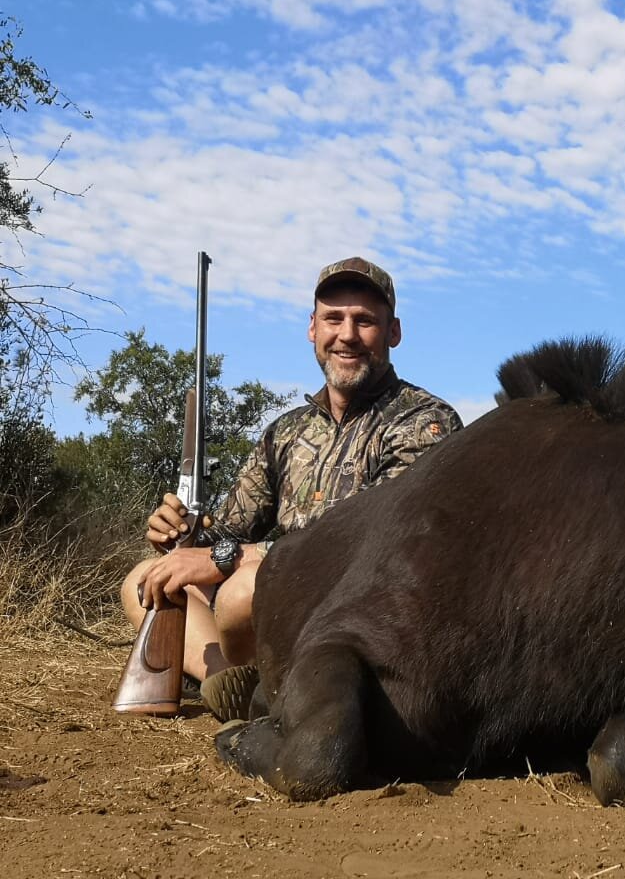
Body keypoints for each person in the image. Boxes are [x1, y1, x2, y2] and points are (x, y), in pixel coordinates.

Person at [120, 256, 463, 721]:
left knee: (243, 592)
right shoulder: (284, 432)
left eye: (365, 321)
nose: (347, 335)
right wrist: (182, 536)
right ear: (312, 329)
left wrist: (228, 558)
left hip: (363, 612)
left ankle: (275, 689)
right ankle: (230, 681)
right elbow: (227, 531)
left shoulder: (425, 422)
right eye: (333, 319)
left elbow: (370, 543)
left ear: (393, 333)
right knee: (145, 578)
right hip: (276, 605)